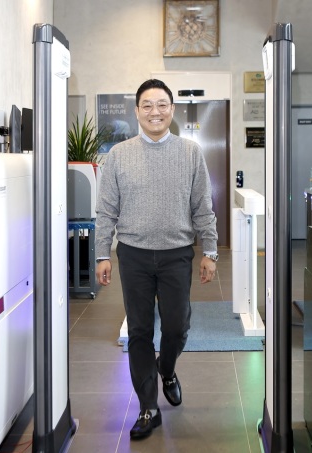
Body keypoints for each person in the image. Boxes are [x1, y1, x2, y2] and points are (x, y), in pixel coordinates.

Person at [94, 78, 219, 440]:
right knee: (139, 330)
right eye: (147, 105)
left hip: (176, 254)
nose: (155, 112)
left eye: (162, 104)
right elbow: (106, 211)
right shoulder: (119, 156)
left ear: (172, 110)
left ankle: (167, 368)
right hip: (133, 255)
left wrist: (210, 250)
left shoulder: (190, 153)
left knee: (177, 327)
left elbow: (203, 206)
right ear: (137, 111)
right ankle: (148, 407)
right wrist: (102, 253)